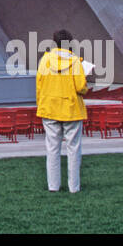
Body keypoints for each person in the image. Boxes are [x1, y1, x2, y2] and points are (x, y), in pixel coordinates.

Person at [36, 29, 89, 193]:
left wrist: (42, 104)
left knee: (52, 149)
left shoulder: (45, 60)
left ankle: (53, 186)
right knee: (74, 149)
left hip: (50, 108)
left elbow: (39, 85)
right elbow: (81, 87)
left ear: (54, 42)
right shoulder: (75, 62)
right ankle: (74, 187)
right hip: (71, 109)